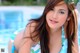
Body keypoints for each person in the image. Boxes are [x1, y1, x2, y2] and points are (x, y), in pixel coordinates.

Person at [13, 0, 79, 53]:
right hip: (15, 46)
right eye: (51, 9)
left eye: (61, 12)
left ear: (68, 17)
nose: (54, 16)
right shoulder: (34, 27)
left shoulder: (68, 30)